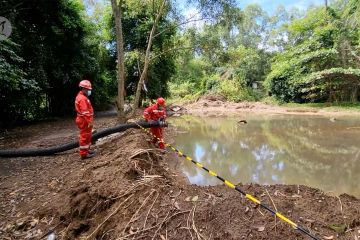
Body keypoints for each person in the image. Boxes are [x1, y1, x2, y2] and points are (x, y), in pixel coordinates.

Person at [75, 80, 96, 159]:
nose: (89, 91)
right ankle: (84, 154)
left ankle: (87, 150)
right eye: (88, 89)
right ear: (83, 89)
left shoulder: (82, 96)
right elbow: (85, 112)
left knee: (88, 135)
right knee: (85, 136)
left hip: (84, 119)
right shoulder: (82, 99)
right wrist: (89, 121)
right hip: (84, 120)